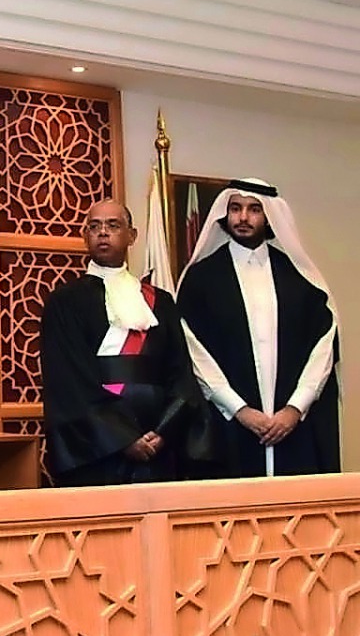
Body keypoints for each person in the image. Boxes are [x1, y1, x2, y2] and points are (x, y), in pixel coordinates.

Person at [41, 200, 217, 485]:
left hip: (158, 444)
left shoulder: (161, 302)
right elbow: (69, 383)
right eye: (94, 226)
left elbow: (180, 374)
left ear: (132, 236)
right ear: (85, 235)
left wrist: (163, 432)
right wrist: (122, 439)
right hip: (95, 450)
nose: (102, 233)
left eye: (113, 225)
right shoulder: (64, 302)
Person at [177, 178, 339, 477]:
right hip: (227, 428)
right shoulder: (202, 278)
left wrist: (294, 409)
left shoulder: (299, 276)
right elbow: (192, 349)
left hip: (294, 429)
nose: (242, 217)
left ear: (269, 217)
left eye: (254, 210)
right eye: (235, 208)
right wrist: (239, 409)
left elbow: (324, 345)